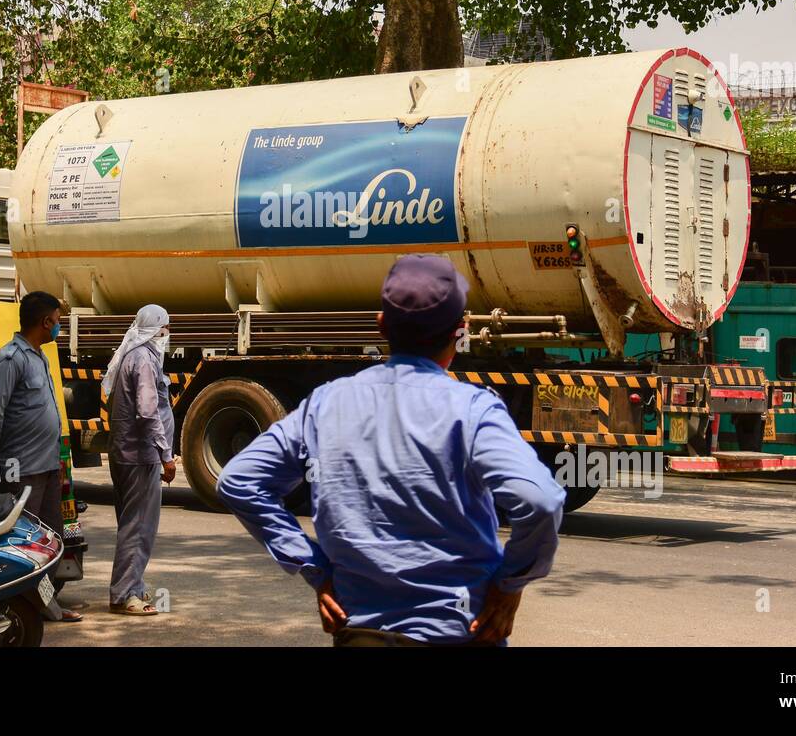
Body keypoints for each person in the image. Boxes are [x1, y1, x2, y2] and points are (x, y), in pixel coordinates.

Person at [217, 254, 565, 646]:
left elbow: (239, 481)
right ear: (461, 331)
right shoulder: (473, 410)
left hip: (360, 633)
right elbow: (540, 501)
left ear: (381, 325)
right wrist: (509, 583)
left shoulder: (325, 405)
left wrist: (314, 567)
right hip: (458, 633)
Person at [0, 289, 83, 623]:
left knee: (50, 540)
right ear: (44, 322)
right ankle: (20, 609)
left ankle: (45, 604)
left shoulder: (39, 356)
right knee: (22, 544)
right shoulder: (11, 358)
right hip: (21, 469)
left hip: (46, 466)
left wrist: (58, 461)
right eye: (56, 321)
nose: (58, 327)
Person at [104, 304, 174, 616]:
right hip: (140, 455)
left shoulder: (131, 355)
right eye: (166, 327)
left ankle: (132, 585)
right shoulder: (144, 359)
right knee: (138, 527)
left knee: (130, 524)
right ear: (157, 329)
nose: (167, 334)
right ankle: (124, 596)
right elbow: (147, 411)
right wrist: (165, 454)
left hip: (125, 453)